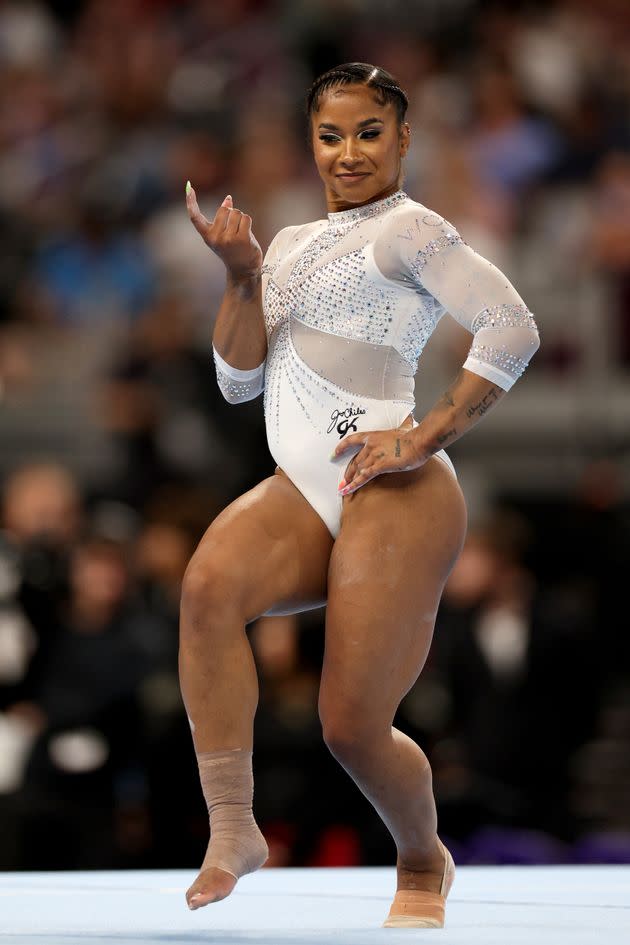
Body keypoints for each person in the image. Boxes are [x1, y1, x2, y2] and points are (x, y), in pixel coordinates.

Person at [181, 62, 540, 928]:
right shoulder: (294, 243)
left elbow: (513, 325)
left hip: (397, 488)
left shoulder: (413, 231)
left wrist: (425, 432)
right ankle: (234, 826)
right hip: (305, 485)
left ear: (403, 139)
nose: (348, 153)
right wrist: (240, 275)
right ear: (311, 144)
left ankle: (422, 859)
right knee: (205, 591)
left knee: (349, 725)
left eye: (369, 132)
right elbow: (236, 381)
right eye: (330, 135)